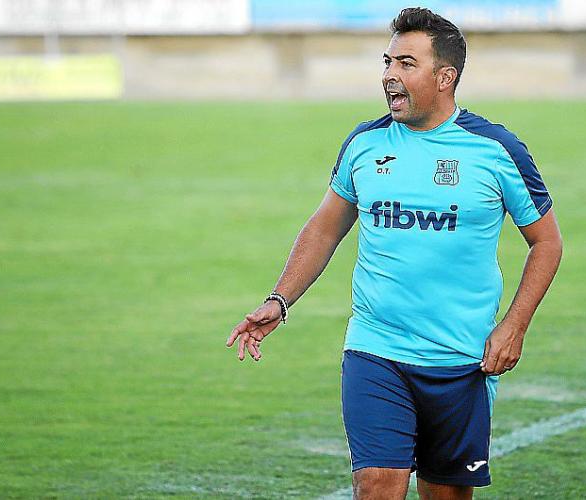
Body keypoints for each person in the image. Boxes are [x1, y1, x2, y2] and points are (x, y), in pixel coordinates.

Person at [226, 7, 563, 500]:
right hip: (376, 348)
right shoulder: (365, 143)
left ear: (445, 77)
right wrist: (279, 300)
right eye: (387, 62)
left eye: (406, 63)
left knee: (445, 494)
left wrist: (514, 325)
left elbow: (547, 242)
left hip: (462, 358)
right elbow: (324, 229)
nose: (389, 75)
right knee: (377, 485)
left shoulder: (496, 149)